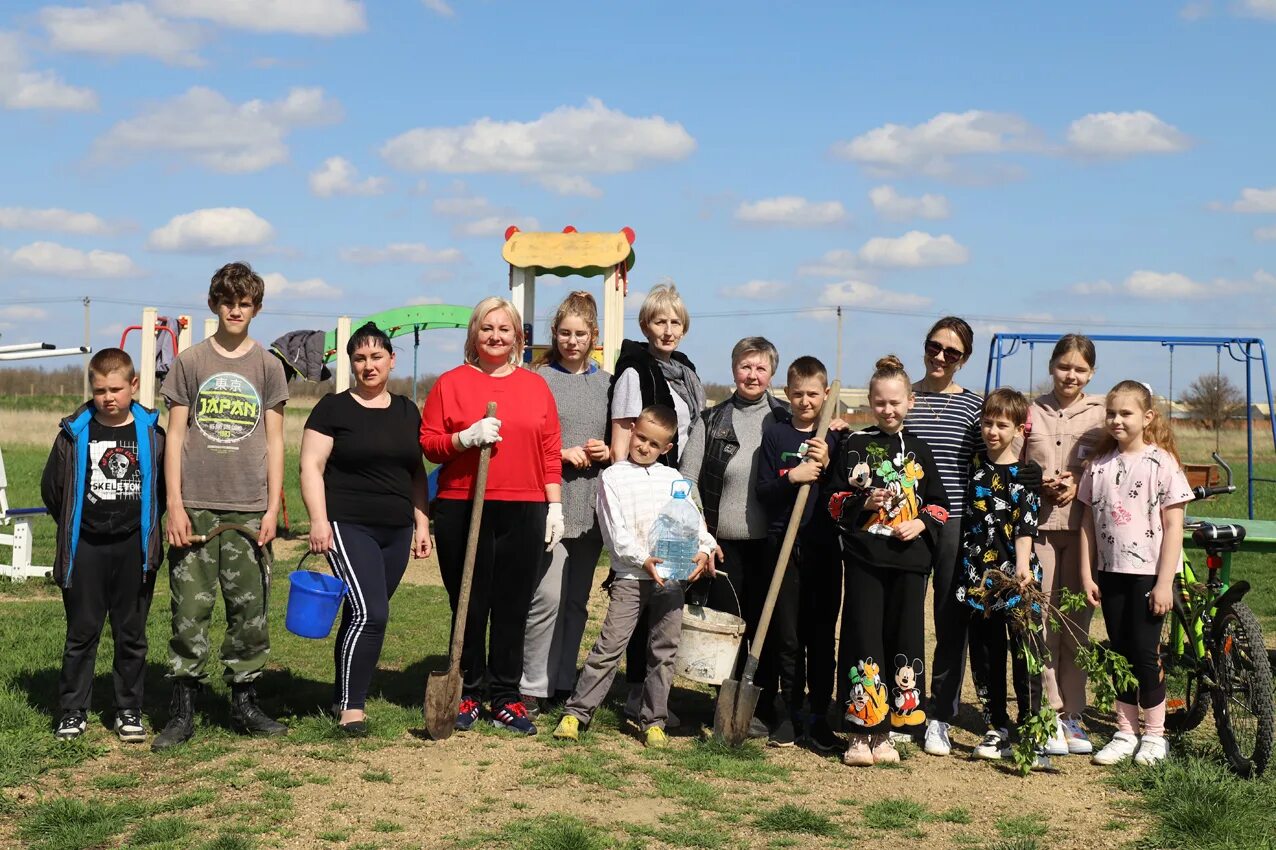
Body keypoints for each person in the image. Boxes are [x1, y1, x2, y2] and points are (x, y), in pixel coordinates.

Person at [154, 262, 289, 751]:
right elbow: (174, 436)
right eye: (228, 301)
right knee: (190, 610)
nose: (236, 310)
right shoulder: (191, 362)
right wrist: (175, 504)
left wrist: (272, 508)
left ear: (256, 308)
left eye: (245, 302)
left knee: (249, 610)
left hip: (249, 509)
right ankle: (183, 705)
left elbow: (276, 441)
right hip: (196, 505)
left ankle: (244, 701)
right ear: (214, 304)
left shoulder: (268, 367)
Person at [420, 296, 562, 736]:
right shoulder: (452, 383)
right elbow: (429, 443)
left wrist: (553, 504)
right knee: (469, 601)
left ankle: (505, 695)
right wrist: (465, 437)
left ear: (519, 337)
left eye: (504, 329)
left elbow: (550, 448)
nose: (496, 336)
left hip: (524, 505)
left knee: (513, 605)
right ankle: (467, 689)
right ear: (473, 335)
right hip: (463, 504)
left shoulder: (535, 386)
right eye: (487, 328)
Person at [552, 405, 717, 748]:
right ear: (631, 433)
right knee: (610, 645)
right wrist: (643, 560)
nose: (644, 447)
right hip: (631, 576)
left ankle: (654, 719)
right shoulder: (613, 476)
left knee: (664, 649)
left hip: (671, 579)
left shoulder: (673, 479)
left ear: (667, 449)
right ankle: (577, 713)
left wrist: (705, 547)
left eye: (654, 444)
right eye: (640, 438)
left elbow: (693, 520)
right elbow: (615, 531)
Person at [300, 322, 432, 736]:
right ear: (350, 363)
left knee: (360, 613)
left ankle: (343, 692)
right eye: (360, 358)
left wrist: (422, 523)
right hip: (347, 523)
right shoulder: (333, 409)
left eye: (376, 357)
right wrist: (319, 521)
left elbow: (416, 473)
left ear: (391, 360)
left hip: (396, 530)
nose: (368, 365)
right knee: (372, 613)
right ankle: (352, 709)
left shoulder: (409, 411)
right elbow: (311, 466)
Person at [826, 355, 949, 766]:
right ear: (870, 402)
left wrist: (920, 525)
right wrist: (864, 502)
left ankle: (891, 731)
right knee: (863, 637)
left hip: (910, 562)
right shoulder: (855, 444)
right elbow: (834, 502)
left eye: (896, 402)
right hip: (865, 559)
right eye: (880, 403)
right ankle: (861, 732)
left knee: (904, 639)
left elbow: (940, 504)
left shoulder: (921, 449)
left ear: (910, 401)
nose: (888, 410)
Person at [41, 348, 165, 743]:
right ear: (91, 390)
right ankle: (72, 711)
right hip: (86, 549)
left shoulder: (151, 435)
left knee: (131, 634)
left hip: (134, 549)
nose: (108, 397)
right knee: (82, 633)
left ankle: (129, 709)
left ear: (133, 385)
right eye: (99, 390)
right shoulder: (73, 434)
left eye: (116, 388)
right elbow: (53, 490)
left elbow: (163, 490)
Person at [1079, 380, 1192, 767]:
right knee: (1120, 652)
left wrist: (1164, 583)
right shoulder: (1097, 466)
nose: (1116, 420)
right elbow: (1087, 525)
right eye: (1111, 413)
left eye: (1126, 413)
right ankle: (1125, 731)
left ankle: (1155, 736)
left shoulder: (1162, 463)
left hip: (1149, 575)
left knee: (1145, 654)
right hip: (1110, 573)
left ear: (1147, 418)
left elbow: (1174, 526)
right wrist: (1086, 572)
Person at [607, 283, 706, 722]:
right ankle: (634, 695)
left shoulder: (684, 372)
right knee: (640, 596)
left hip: (673, 489)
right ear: (646, 325)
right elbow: (622, 440)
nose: (668, 330)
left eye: (675, 322)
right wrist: (631, 494)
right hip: (642, 492)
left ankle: (655, 699)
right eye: (660, 321)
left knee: (667, 598)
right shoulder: (635, 372)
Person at [680, 337, 787, 736]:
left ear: (772, 372)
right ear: (733, 369)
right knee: (730, 625)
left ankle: (762, 702)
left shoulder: (785, 419)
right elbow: (688, 479)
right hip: (723, 545)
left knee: (768, 624)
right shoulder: (711, 420)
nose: (752, 375)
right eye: (745, 366)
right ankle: (722, 703)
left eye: (760, 368)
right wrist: (703, 539)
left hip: (771, 542)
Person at [520, 292, 611, 717]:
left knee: (577, 602)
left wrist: (606, 450)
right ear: (554, 335)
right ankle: (531, 685)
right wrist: (561, 456)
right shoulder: (537, 380)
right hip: (550, 502)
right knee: (547, 599)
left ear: (594, 337)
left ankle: (561, 680)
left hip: (591, 507)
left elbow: (624, 441)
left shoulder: (607, 383)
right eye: (564, 333)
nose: (572, 341)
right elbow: (525, 442)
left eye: (581, 334)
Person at [904, 316, 984, 757]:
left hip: (953, 522)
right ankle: (906, 704)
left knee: (951, 619)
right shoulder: (906, 397)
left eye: (950, 352)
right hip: (908, 521)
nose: (939, 357)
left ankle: (941, 715)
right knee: (905, 615)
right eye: (934, 347)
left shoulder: (973, 408)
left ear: (963, 360)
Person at [754, 355, 842, 751]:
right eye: (797, 394)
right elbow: (764, 492)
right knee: (787, 637)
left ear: (825, 394)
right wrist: (794, 476)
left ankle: (819, 715)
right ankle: (788, 713)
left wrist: (829, 463)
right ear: (786, 394)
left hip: (822, 547)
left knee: (821, 635)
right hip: (782, 546)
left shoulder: (836, 439)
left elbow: (844, 493)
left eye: (812, 394)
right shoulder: (776, 436)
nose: (805, 401)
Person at [1023, 334, 1105, 756]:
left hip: (1084, 533)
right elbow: (1015, 466)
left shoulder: (1103, 414)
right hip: (1038, 530)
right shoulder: (1030, 411)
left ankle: (1074, 713)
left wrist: (1077, 481)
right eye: (1063, 366)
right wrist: (1042, 484)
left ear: (1090, 373)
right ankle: (1047, 712)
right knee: (1041, 622)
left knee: (1075, 625)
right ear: (1052, 366)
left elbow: (1111, 464)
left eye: (1080, 369)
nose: (1070, 375)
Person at [954, 388, 1045, 763]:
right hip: (979, 577)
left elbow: (1026, 525)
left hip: (1018, 575)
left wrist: (1022, 566)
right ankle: (997, 726)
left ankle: (1032, 728)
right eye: (988, 423)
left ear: (1018, 428)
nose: (993, 431)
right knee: (986, 652)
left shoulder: (1026, 474)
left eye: (1002, 424)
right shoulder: (973, 465)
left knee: (1027, 651)